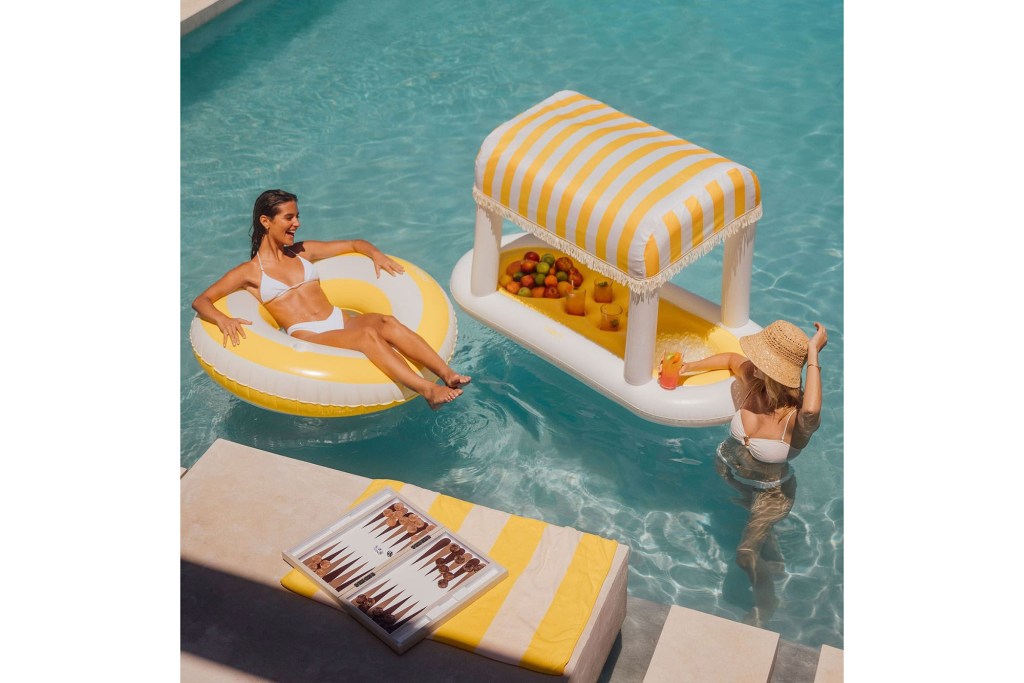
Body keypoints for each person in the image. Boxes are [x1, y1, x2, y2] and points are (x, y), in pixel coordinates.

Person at [192, 189, 470, 409]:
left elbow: (354, 244)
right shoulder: (250, 272)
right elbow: (202, 300)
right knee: (366, 337)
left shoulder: (302, 251)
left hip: (338, 319)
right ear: (266, 221)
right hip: (309, 335)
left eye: (297, 216)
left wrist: (376, 255)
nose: (296, 223)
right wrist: (222, 319)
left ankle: (447, 374)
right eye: (289, 218)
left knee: (385, 321)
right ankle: (429, 391)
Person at [677, 319, 827, 626]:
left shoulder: (796, 421)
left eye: (760, 360)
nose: (751, 362)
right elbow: (731, 359)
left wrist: (814, 353)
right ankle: (773, 557)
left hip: (772, 491)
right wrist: (689, 367)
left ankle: (765, 607)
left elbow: (812, 409)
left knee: (744, 553)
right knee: (753, 532)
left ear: (775, 372)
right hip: (732, 474)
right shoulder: (753, 380)